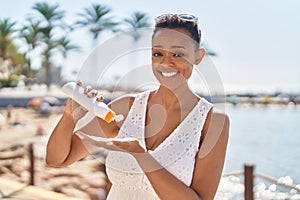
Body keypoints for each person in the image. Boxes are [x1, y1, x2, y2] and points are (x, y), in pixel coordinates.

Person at [46, 13, 229, 200]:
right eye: (158, 54)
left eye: (178, 54)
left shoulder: (213, 121)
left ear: (198, 56)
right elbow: (57, 160)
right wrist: (69, 117)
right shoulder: (125, 108)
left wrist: (141, 155)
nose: (166, 63)